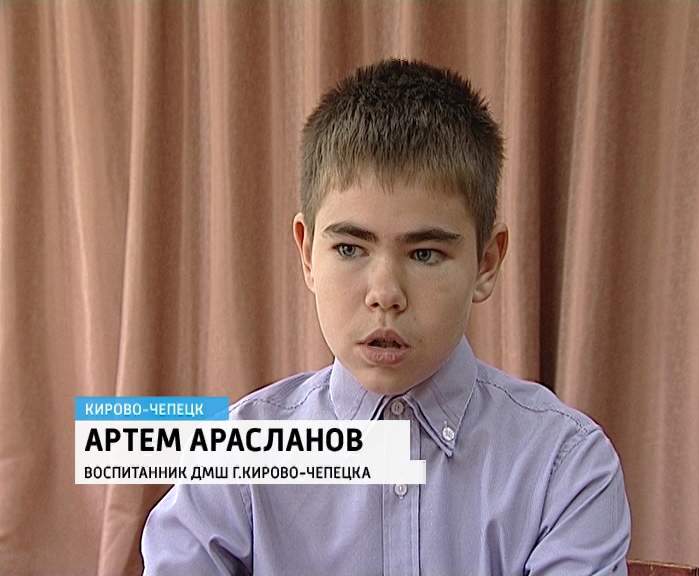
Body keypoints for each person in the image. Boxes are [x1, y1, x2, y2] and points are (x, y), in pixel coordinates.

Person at [141, 59, 631, 575]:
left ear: (486, 263)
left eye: (425, 254)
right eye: (350, 248)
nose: (385, 295)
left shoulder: (566, 466)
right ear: (307, 254)